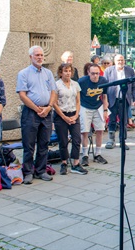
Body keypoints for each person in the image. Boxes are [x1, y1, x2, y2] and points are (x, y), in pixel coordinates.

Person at [17, 45, 58, 183]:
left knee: (44, 143)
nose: (40, 57)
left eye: (41, 55)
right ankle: (27, 172)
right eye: (37, 55)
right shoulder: (23, 73)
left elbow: (53, 91)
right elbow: (22, 95)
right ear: (30, 57)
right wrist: (36, 108)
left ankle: (41, 170)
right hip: (31, 113)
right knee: (29, 144)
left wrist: (49, 107)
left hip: (46, 111)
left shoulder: (48, 73)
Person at [53, 63, 85, 175]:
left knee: (77, 139)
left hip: (73, 113)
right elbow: (54, 103)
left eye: (70, 71)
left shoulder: (75, 84)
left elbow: (78, 101)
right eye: (65, 71)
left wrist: (76, 115)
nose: (68, 73)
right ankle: (64, 162)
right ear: (61, 73)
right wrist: (64, 117)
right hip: (61, 114)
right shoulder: (56, 85)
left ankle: (76, 163)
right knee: (63, 140)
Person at [104, 54, 135, 149]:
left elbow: (134, 86)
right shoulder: (108, 70)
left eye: (122, 60)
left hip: (125, 100)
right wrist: (105, 100)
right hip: (112, 99)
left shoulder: (130, 70)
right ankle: (111, 140)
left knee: (124, 121)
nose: (120, 62)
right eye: (118, 60)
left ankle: (122, 141)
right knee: (112, 120)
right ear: (115, 61)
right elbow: (105, 86)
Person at [78, 63, 109, 166]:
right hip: (85, 106)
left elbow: (105, 97)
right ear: (88, 73)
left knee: (100, 130)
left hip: (98, 106)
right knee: (84, 131)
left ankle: (97, 154)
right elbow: (77, 97)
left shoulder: (103, 81)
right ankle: (85, 154)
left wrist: (105, 111)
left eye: (97, 73)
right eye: (93, 74)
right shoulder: (82, 82)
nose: (95, 76)